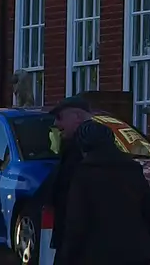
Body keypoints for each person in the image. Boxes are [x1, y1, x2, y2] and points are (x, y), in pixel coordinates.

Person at [58, 118, 150, 265]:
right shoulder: (132, 169)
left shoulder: (85, 174)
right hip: (138, 254)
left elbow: (76, 223)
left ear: (83, 147)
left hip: (97, 256)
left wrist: (67, 256)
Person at [50, 97, 92, 251]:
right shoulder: (73, 147)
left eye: (60, 117)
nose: (56, 124)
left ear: (77, 117)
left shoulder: (80, 151)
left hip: (79, 242)